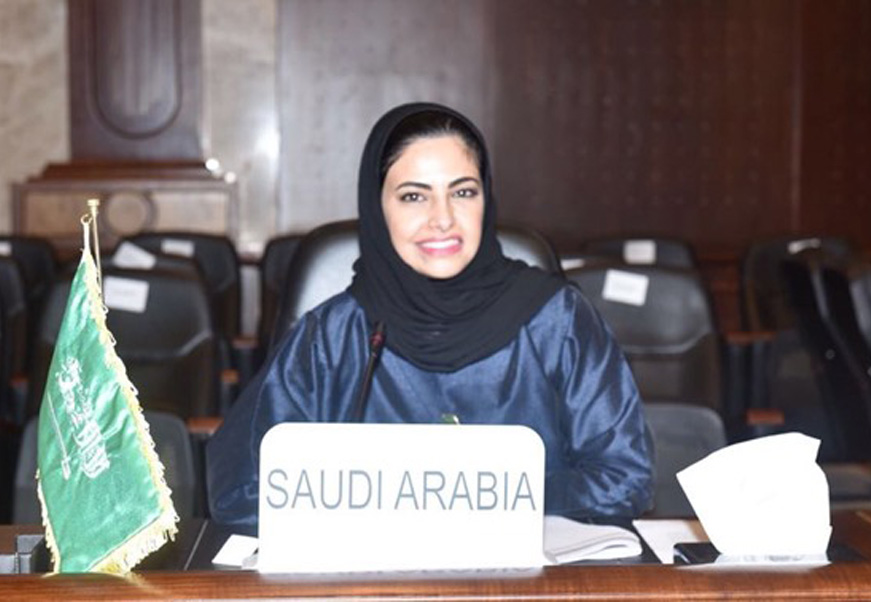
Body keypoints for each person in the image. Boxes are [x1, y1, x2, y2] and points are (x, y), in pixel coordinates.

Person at [207, 102, 652, 534]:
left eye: (463, 192)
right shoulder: (331, 337)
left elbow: (624, 477)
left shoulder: (558, 321)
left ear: (486, 199)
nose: (443, 218)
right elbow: (242, 489)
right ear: (377, 208)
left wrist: (473, 499)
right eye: (414, 196)